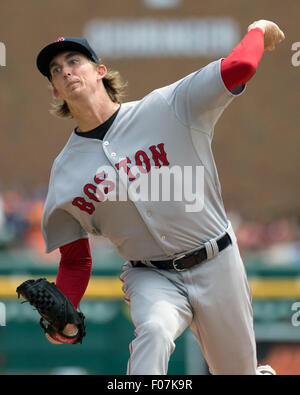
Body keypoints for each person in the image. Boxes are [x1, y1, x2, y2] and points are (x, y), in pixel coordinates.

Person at [36, 19, 284, 375]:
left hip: (217, 261)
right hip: (150, 275)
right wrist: (64, 314)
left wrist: (258, 29)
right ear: (57, 91)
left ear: (100, 71)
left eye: (74, 61)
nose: (65, 72)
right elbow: (75, 259)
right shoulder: (64, 172)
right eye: (56, 71)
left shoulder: (167, 106)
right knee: (154, 330)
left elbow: (241, 67)